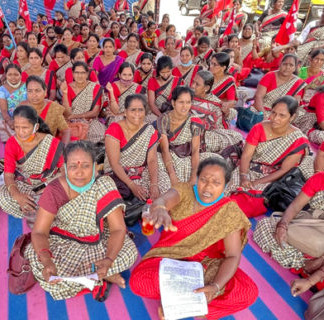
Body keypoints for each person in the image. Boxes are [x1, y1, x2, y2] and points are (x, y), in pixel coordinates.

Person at [129, 157, 258, 319]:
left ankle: (190, 307)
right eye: (204, 180)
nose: (208, 187)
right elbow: (165, 199)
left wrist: (215, 286)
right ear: (197, 179)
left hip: (207, 265)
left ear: (225, 186)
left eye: (216, 182)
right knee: (139, 281)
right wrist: (160, 208)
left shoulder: (229, 210)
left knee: (247, 292)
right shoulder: (184, 190)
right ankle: (187, 302)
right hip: (171, 257)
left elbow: (233, 256)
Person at [25, 140, 137, 300]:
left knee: (129, 253)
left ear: (95, 168)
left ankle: (98, 274)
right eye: (73, 166)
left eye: (85, 166)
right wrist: (47, 261)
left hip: (97, 237)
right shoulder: (54, 190)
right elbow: (39, 232)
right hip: (62, 241)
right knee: (39, 261)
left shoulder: (103, 184)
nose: (79, 172)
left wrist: (108, 260)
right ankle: (101, 277)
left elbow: (118, 229)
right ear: (64, 168)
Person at [229, 96, 314, 216]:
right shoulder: (259, 128)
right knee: (229, 190)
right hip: (249, 168)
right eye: (273, 113)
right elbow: (247, 155)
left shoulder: (298, 140)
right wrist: (244, 176)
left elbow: (284, 170)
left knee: (249, 200)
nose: (275, 118)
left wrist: (257, 182)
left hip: (272, 176)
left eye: (282, 115)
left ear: (293, 117)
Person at [0, 105, 64, 221]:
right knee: (3, 197)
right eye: (17, 127)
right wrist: (18, 196)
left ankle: (38, 210)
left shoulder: (51, 142)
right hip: (25, 183)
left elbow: (64, 170)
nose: (20, 132)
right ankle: (43, 212)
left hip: (49, 182)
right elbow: (8, 175)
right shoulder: (12, 143)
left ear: (36, 126)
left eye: (25, 127)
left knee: (65, 195)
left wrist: (49, 186)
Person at [157, 86, 219, 193]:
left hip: (186, 157)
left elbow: (195, 150)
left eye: (188, 102)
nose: (184, 106)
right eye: (181, 102)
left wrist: (193, 176)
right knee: (162, 178)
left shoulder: (194, 121)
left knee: (216, 162)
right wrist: (172, 176)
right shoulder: (164, 119)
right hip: (167, 158)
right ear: (173, 103)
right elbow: (164, 150)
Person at [103, 94, 162, 201]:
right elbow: (114, 164)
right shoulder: (115, 129)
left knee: (160, 188)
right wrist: (132, 185)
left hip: (140, 172)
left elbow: (152, 160)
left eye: (141, 110)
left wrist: (154, 184)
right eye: (133, 110)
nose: (137, 114)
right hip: (118, 173)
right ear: (125, 112)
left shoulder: (149, 131)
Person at [191, 70, 243, 154]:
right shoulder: (186, 95)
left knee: (238, 137)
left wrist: (227, 111)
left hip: (211, 134)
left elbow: (233, 114)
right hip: (189, 131)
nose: (192, 86)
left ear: (206, 88)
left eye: (197, 84)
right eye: (193, 82)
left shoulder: (215, 102)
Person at [60, 61, 105, 143]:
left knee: (100, 135)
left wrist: (75, 116)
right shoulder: (68, 88)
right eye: (76, 72)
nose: (79, 76)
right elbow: (67, 113)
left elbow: (95, 112)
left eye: (82, 73)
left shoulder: (95, 88)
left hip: (90, 121)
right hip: (72, 123)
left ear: (87, 74)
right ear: (73, 74)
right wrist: (65, 93)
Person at [252, 54, 306, 118]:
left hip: (282, 113)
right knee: (252, 113)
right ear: (280, 65)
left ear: (294, 68)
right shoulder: (269, 76)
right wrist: (263, 115)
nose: (287, 67)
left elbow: (294, 105)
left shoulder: (298, 82)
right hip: (262, 108)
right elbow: (258, 97)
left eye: (291, 65)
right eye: (285, 64)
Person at [23, 76, 71, 144]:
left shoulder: (53, 108)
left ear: (45, 92)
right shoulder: (23, 108)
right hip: (26, 147)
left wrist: (63, 150)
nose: (34, 95)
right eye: (30, 91)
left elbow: (66, 131)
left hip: (47, 147)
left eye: (37, 90)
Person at [209, 52, 238, 120]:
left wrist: (218, 102)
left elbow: (231, 102)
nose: (211, 66)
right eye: (211, 63)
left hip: (216, 110)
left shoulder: (228, 81)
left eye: (214, 64)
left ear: (223, 68)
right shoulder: (208, 76)